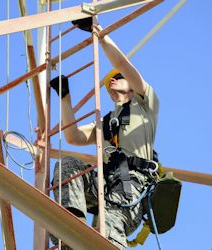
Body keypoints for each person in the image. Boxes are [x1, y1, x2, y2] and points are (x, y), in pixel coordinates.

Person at [49, 18, 159, 249]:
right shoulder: (108, 121)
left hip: (131, 186)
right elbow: (74, 137)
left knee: (107, 225)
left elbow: (121, 61)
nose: (112, 82)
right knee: (67, 166)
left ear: (131, 83)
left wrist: (98, 32)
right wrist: (65, 98)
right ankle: (69, 230)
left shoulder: (145, 103)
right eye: (109, 81)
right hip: (106, 184)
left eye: (118, 78)